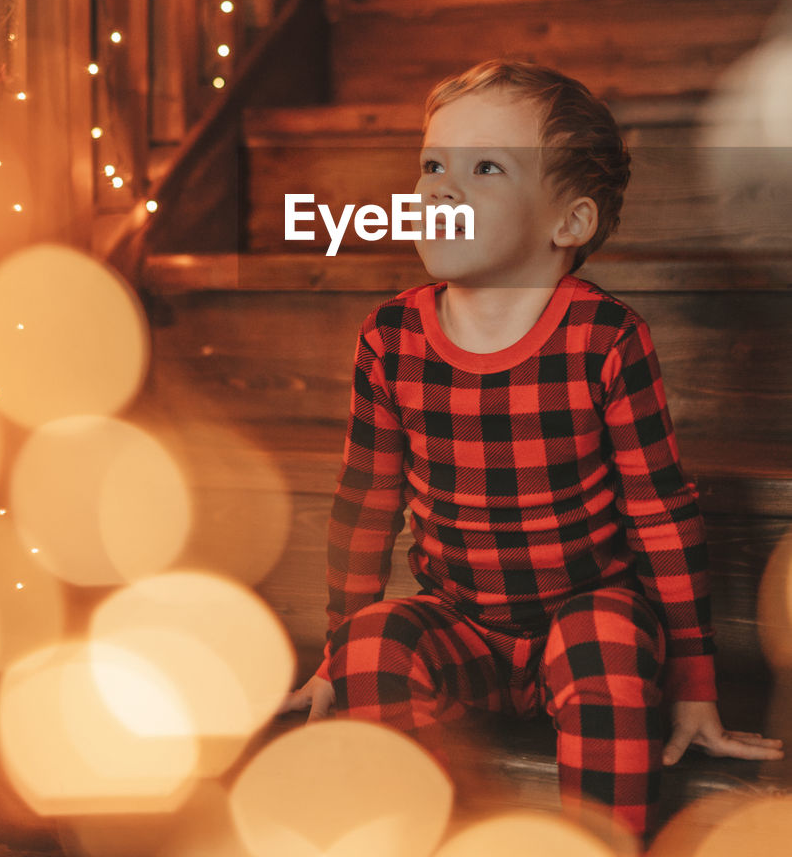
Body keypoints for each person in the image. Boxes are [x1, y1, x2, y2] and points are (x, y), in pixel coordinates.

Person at [279, 59, 783, 839]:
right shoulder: (389, 338)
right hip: (462, 622)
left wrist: (692, 682)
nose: (438, 190)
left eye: (483, 167)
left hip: (585, 615)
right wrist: (334, 653)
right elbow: (364, 503)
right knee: (372, 643)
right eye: (431, 165)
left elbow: (661, 514)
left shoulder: (606, 339)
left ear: (568, 224)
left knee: (601, 644)